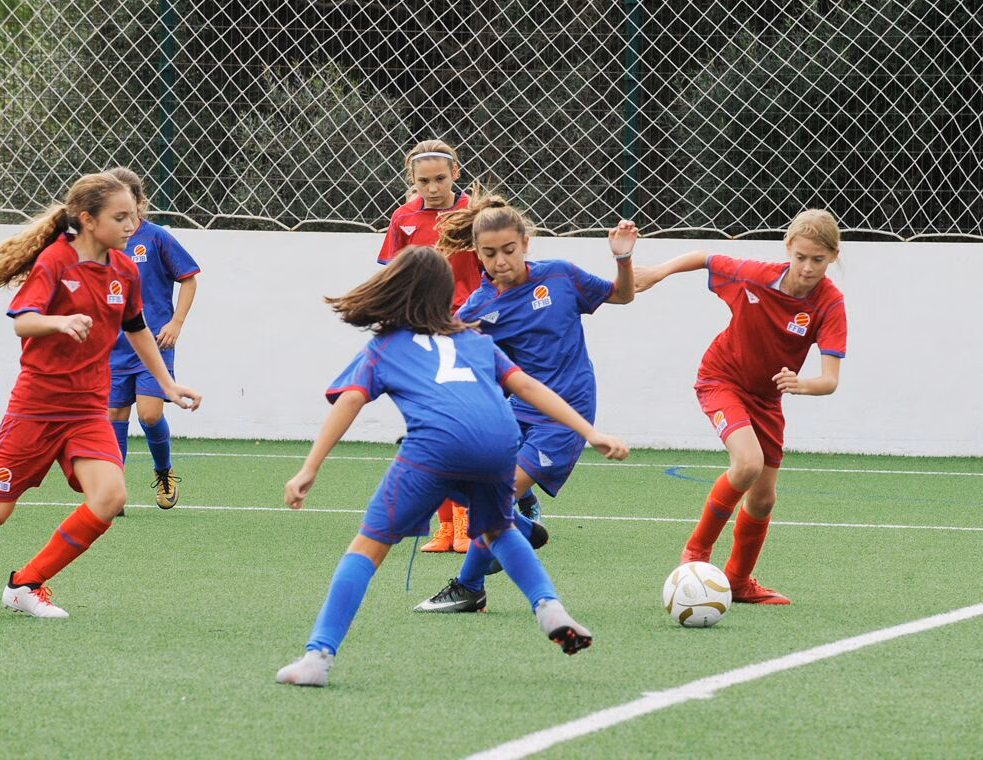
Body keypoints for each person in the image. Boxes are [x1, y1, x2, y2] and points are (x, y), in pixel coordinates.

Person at [275, 246, 629, 687]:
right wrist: (590, 432)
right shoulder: (475, 340)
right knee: (496, 529)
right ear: (447, 296)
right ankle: (549, 607)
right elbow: (527, 385)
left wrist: (309, 468)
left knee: (366, 548)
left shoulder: (384, 346)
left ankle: (317, 658)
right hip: (501, 444)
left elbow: (350, 399)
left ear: (394, 289)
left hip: (437, 448)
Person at [0, 172, 202, 618]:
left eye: (134, 215)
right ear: (87, 220)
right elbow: (23, 320)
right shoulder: (55, 262)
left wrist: (167, 384)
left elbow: (136, 327)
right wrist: (58, 323)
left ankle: (27, 583)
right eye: (120, 217)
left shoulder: (124, 268)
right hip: (37, 409)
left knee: (109, 496)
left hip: (86, 411)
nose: (131, 225)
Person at [413, 193, 637, 613]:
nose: (500, 261)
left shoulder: (561, 276)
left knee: (493, 497)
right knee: (459, 483)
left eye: (509, 251)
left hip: (565, 415)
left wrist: (623, 260)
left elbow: (622, 296)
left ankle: (470, 586)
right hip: (514, 414)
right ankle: (521, 526)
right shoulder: (479, 307)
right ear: (477, 254)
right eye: (489, 253)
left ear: (526, 243)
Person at [632, 208, 847, 604]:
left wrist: (803, 384)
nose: (807, 267)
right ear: (788, 249)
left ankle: (738, 581)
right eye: (800, 257)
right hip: (721, 379)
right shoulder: (753, 275)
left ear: (833, 256)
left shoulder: (830, 303)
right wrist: (657, 272)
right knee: (746, 464)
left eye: (818, 260)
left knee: (764, 498)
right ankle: (696, 551)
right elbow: (705, 258)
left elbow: (830, 381)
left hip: (767, 399)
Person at [378, 139, 480, 553]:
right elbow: (394, 275)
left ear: (456, 173)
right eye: (424, 181)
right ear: (412, 181)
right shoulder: (403, 218)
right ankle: (445, 526)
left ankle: (468, 519)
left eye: (440, 178)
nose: (433, 187)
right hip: (420, 332)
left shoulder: (475, 215)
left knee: (462, 427)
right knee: (427, 427)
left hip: (465, 329)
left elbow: (489, 270)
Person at [105, 167, 200, 511]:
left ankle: (163, 471)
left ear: (140, 203)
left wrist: (176, 322)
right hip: (113, 349)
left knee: (148, 414)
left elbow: (189, 278)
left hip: (154, 346)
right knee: (115, 414)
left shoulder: (157, 237)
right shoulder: (104, 242)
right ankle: (113, 492)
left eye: (129, 206)